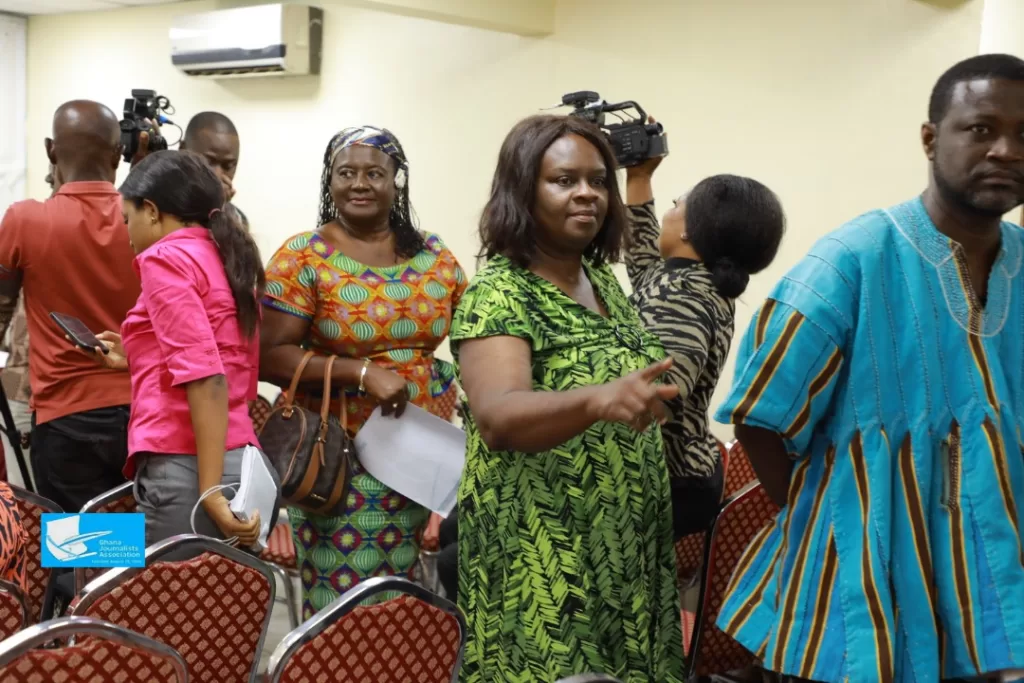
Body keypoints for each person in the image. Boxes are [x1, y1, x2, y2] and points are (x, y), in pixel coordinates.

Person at [714, 53, 1024, 683]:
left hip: (996, 586)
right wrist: (842, 517)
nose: (1006, 151)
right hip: (862, 599)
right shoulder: (850, 261)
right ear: (930, 139)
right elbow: (760, 419)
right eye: (981, 129)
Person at [451, 114, 684, 682]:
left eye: (599, 181)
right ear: (522, 192)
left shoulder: (601, 281)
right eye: (564, 180)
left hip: (624, 548)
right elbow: (498, 416)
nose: (587, 193)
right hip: (545, 555)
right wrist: (597, 400)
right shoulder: (499, 293)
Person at [259, 125, 467, 620]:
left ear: (397, 180)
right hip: (338, 460)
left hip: (416, 456)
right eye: (345, 172)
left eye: (374, 173)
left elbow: (474, 330)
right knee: (344, 606)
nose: (359, 183)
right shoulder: (303, 256)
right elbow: (268, 356)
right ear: (328, 181)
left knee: (400, 596)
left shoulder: (432, 254)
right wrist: (360, 373)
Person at [82, 150, 269, 549]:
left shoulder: (166, 259)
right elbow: (221, 354)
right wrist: (136, 356)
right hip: (240, 463)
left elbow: (207, 378)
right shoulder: (224, 255)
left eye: (127, 220)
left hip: (189, 470)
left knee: (64, 549)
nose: (127, 235)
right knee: (219, 594)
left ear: (151, 211)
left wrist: (210, 493)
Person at [624, 147, 785, 539]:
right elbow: (641, 256)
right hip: (679, 471)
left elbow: (659, 392)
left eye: (677, 203)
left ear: (689, 231)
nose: (669, 209)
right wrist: (639, 176)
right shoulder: (681, 279)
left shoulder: (685, 295)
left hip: (672, 479)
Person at [0, 100, 141, 513]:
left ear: (51, 150)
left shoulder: (25, 220)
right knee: (137, 541)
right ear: (118, 154)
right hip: (143, 414)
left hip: (65, 419)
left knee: (80, 544)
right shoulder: (147, 220)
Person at [179, 112, 248, 228]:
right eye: (209, 162)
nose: (217, 175)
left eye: (227, 166)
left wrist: (220, 211)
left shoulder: (237, 220)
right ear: (183, 151)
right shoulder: (157, 207)